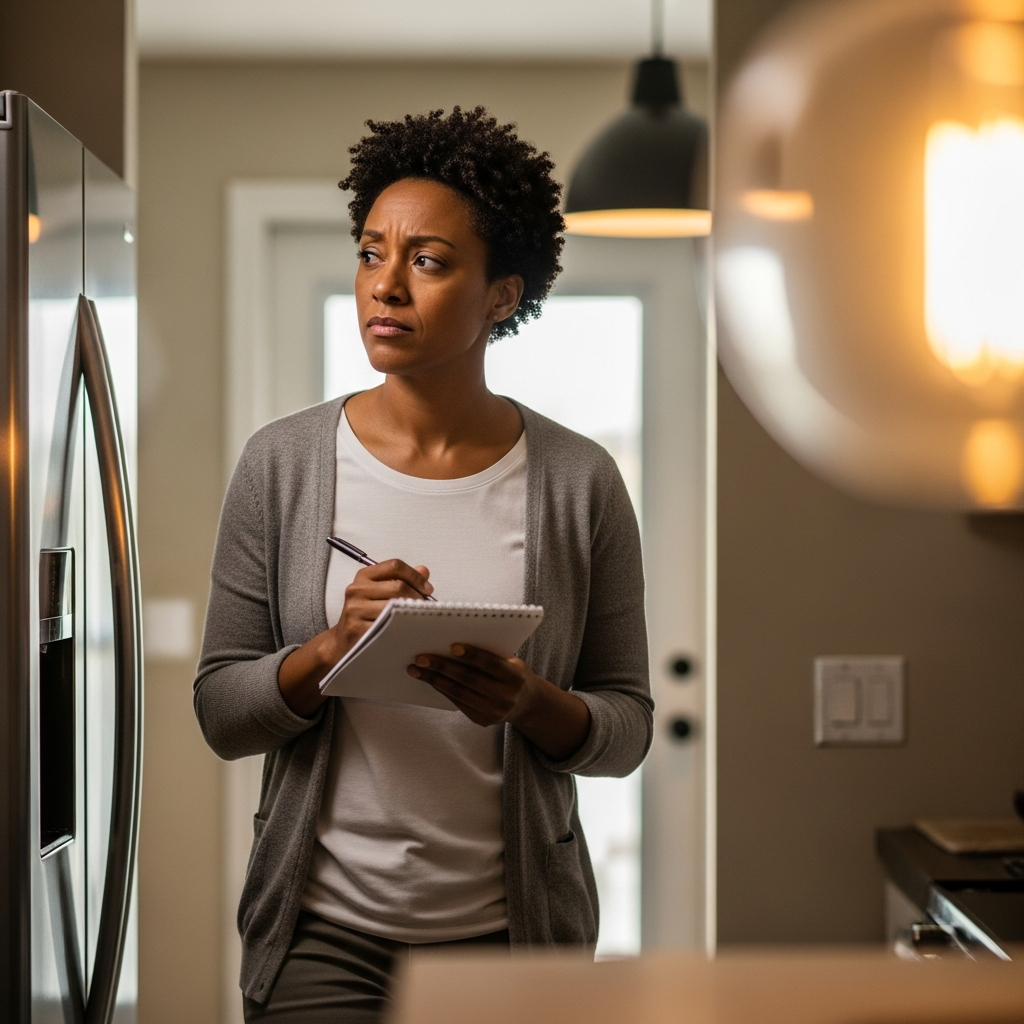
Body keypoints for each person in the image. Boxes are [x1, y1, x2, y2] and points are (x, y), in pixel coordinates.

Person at [194, 106, 652, 1024]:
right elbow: (221, 712)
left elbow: (628, 727)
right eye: (371, 254)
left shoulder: (579, 480)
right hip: (321, 937)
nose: (386, 287)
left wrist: (531, 702)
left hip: (514, 947)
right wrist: (329, 651)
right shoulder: (281, 465)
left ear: (501, 296)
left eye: (428, 261)